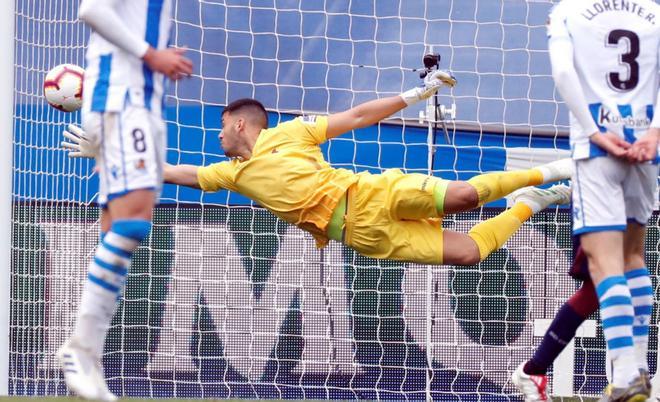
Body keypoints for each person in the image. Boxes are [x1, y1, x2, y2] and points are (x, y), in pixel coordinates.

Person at [63, 70, 571, 269]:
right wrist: (110, 154)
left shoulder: (292, 132)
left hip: (369, 196)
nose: (217, 138)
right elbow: (170, 173)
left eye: (222, 128)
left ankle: (547, 172)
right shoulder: (231, 175)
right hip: (362, 236)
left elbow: (355, 116)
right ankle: (532, 204)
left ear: (242, 124)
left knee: (465, 197)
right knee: (466, 254)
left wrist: (415, 94)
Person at [56, 0, 193, 400]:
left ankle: (88, 361)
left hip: (140, 106)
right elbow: (92, 10)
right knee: (131, 224)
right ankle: (80, 349)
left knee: (115, 231)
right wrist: (153, 55)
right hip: (122, 101)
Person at [546, 0, 660, 400]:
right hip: (645, 146)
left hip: (597, 151)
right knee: (634, 258)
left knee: (604, 262)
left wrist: (594, 132)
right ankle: (642, 369)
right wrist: (655, 132)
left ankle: (626, 374)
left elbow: (562, 72)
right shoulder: (654, 11)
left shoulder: (568, 12)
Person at [512, 238, 600, 402]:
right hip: (603, 213)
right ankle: (534, 369)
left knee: (633, 273)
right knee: (602, 282)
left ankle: (631, 374)